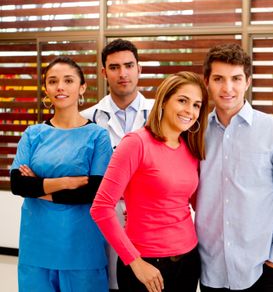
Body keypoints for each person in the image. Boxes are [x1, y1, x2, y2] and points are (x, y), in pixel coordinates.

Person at [195, 43, 273, 292]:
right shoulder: (196, 132)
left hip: (262, 269)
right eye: (218, 79)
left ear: (247, 81)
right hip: (211, 267)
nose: (227, 88)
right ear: (206, 82)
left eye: (236, 78)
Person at [90, 71, 209, 292]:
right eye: (182, 100)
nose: (189, 111)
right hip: (146, 264)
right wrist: (134, 261)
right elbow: (101, 208)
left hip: (189, 259)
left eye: (196, 105)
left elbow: (192, 202)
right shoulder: (136, 143)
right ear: (163, 101)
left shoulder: (191, 148)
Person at [9, 56, 112, 292]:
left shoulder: (97, 136)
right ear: (46, 88)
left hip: (82, 247)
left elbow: (92, 192)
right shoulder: (33, 134)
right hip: (37, 246)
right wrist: (64, 182)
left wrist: (40, 187)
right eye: (53, 81)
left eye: (68, 80)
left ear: (82, 87)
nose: (60, 87)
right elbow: (18, 185)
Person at [81, 38, 154, 290]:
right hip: (103, 221)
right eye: (114, 67)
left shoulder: (161, 114)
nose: (122, 73)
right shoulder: (86, 120)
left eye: (129, 65)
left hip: (150, 221)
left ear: (139, 69)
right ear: (103, 72)